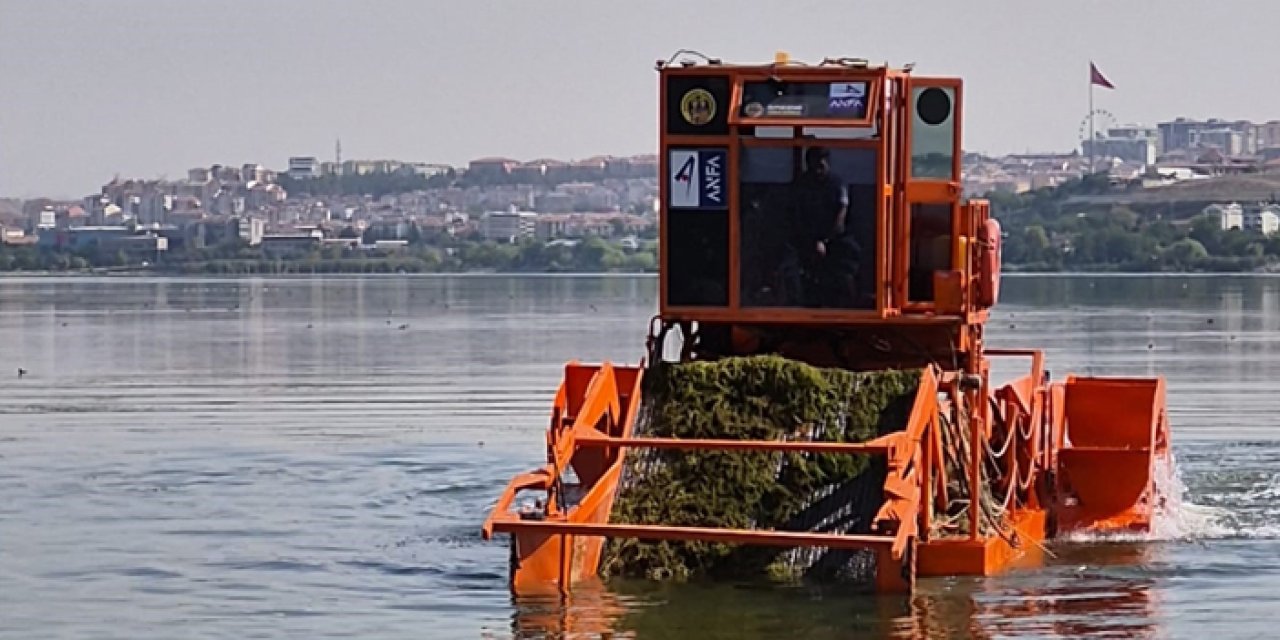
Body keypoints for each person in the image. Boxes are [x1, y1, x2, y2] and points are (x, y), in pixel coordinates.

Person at [784, 146, 861, 307]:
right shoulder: (801, 185)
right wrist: (811, 241)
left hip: (835, 239)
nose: (820, 169)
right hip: (805, 238)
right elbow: (795, 217)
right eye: (816, 164)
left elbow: (841, 216)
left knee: (848, 260)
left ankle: (847, 305)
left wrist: (825, 241)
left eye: (823, 163)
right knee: (790, 264)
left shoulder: (837, 184)